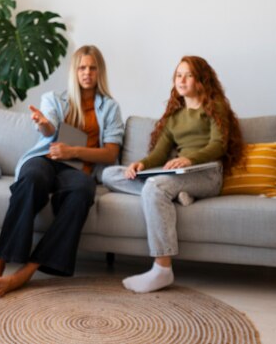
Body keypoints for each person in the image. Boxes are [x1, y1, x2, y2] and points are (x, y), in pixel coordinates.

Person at [0, 45, 124, 297]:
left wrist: (73, 152)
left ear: (100, 71)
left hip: (78, 169)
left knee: (82, 191)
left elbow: (111, 153)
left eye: (92, 68)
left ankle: (25, 273)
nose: (87, 73)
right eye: (82, 67)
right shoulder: (55, 99)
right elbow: (48, 129)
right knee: (32, 178)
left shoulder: (110, 107)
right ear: (74, 71)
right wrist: (45, 124)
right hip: (45, 159)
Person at [102, 55, 244, 293]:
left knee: (155, 187)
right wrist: (140, 164)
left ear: (201, 80)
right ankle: (177, 194)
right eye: (179, 75)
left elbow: (218, 145)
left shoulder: (214, 106)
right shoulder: (174, 116)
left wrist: (190, 158)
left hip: (207, 173)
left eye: (189, 75)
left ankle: (162, 268)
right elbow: (159, 155)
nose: (182, 80)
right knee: (110, 174)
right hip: (179, 174)